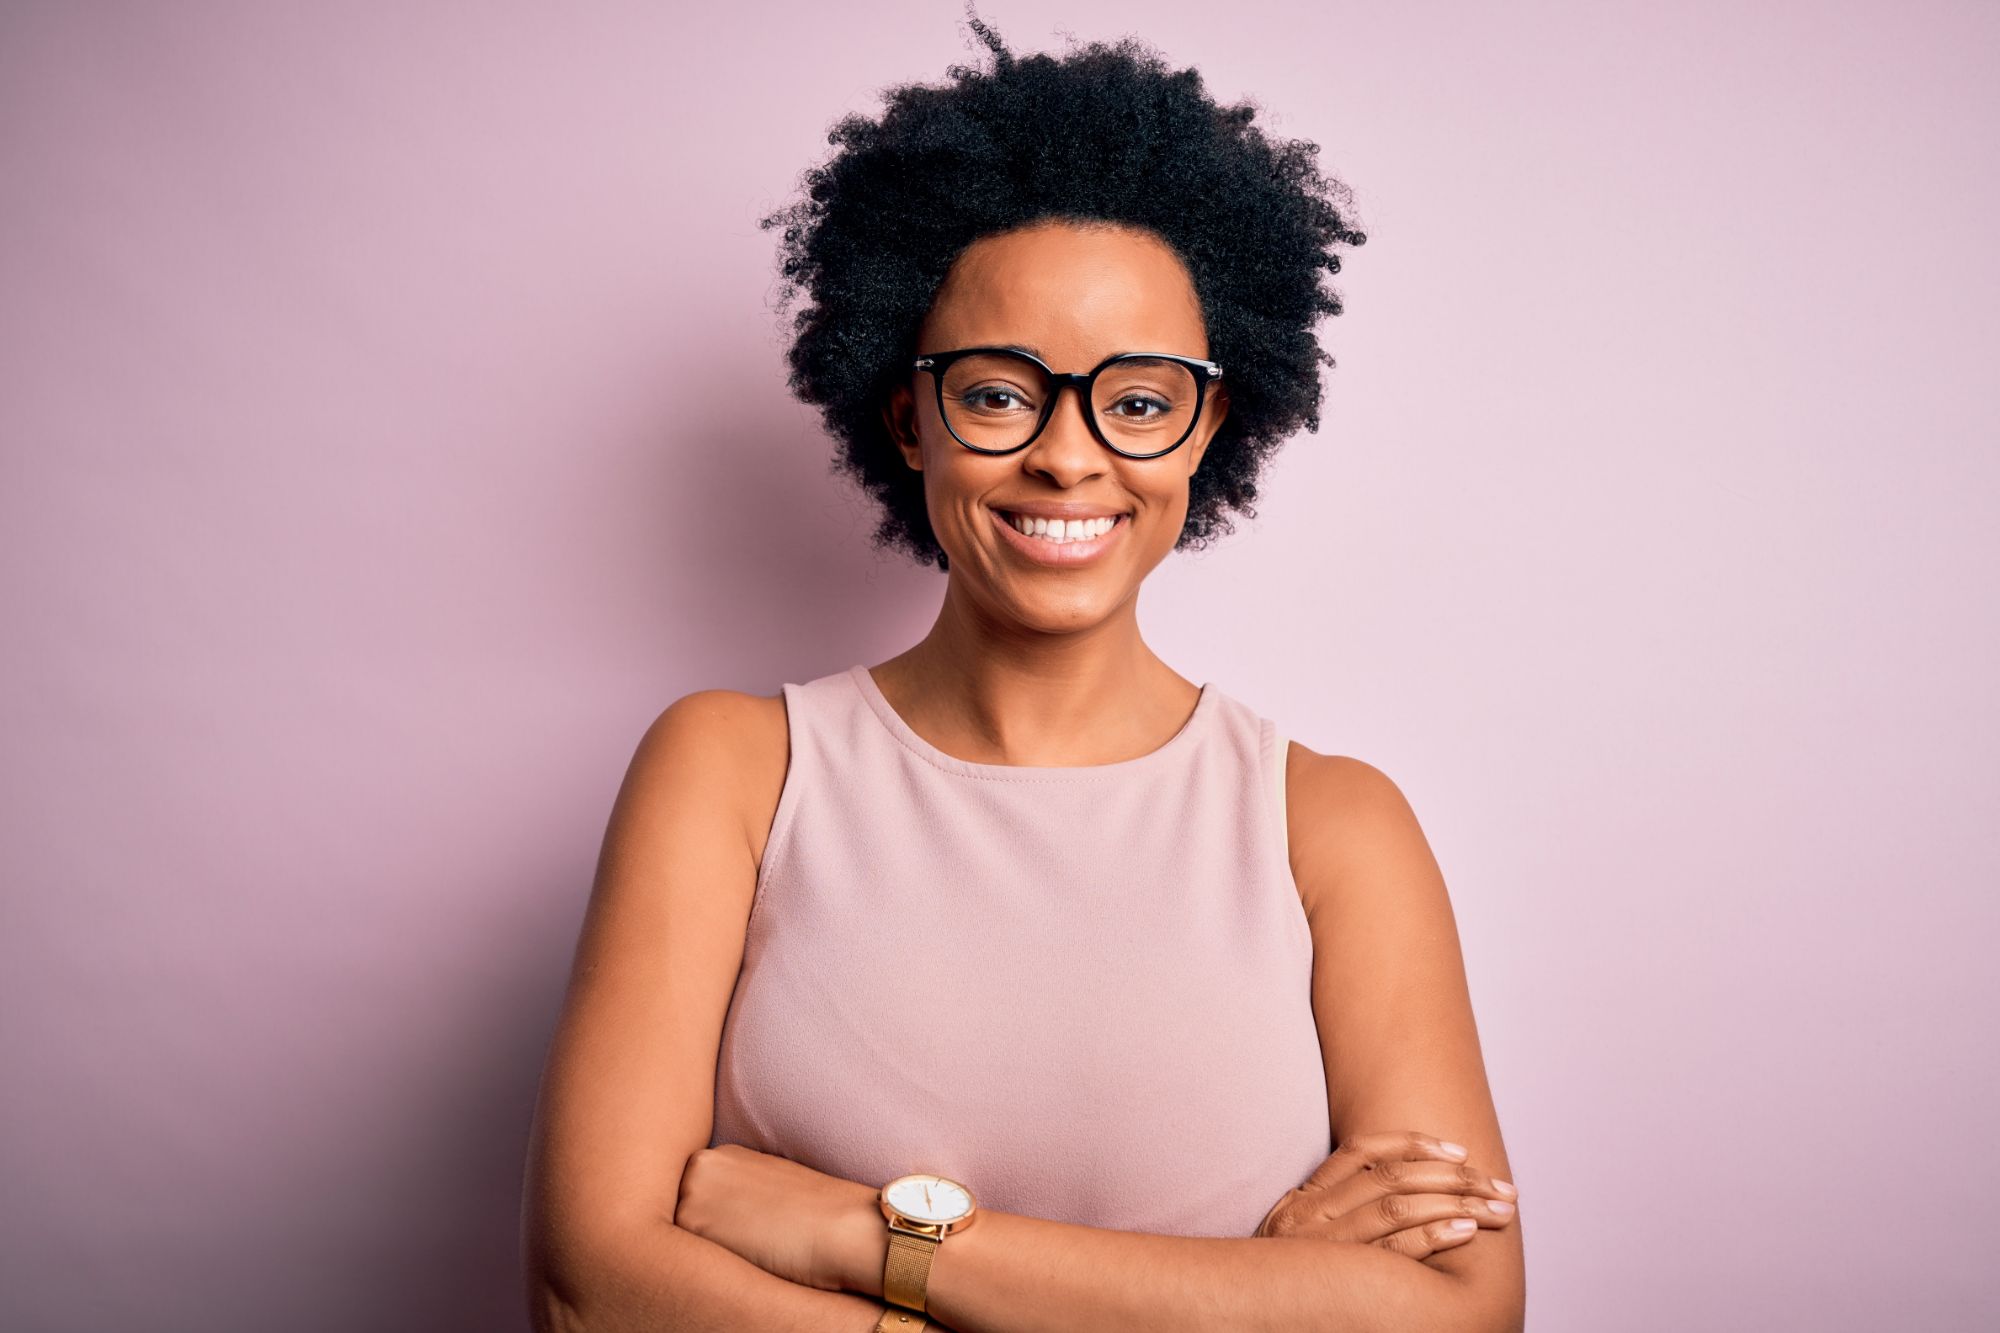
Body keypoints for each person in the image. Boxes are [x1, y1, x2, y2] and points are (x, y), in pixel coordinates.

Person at [523, 16, 1524, 1333]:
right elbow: (589, 1286)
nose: (1069, 457)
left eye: (1141, 397)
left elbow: (1461, 1317)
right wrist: (1251, 1297)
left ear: (1207, 427)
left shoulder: (1334, 827)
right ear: (911, 416)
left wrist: (857, 1235)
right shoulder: (733, 771)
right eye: (1000, 393)